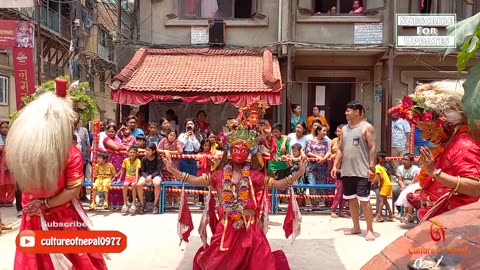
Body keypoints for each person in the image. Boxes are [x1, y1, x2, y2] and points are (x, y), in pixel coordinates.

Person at [162, 100, 307, 269]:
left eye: (243, 150)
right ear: (229, 152)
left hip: (251, 227)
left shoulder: (253, 176)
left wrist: (298, 172)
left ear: (249, 154)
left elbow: (280, 184)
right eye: (236, 149)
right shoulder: (219, 174)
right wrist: (173, 170)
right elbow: (194, 180)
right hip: (227, 227)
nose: (239, 153)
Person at [6, 88, 107, 268]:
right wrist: (45, 204)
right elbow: (73, 190)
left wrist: (37, 202)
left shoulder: (25, 148)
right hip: (60, 216)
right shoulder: (70, 153)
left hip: (32, 215)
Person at [388, 80, 480, 221]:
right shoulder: (450, 143)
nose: (424, 136)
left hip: (456, 225)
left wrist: (435, 173)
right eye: (421, 129)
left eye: (428, 128)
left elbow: (475, 187)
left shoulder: (463, 145)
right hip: (443, 222)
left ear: (447, 121)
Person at [331, 101, 376, 241]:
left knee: (364, 201)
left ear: (357, 112)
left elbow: (373, 147)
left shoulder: (367, 127)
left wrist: (372, 167)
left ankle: (370, 230)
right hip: (347, 171)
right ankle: (356, 227)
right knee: (351, 200)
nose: (346, 113)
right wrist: (335, 166)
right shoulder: (344, 129)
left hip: (362, 171)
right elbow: (340, 148)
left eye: (348, 110)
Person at [305, 125, 331, 208]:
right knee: (312, 184)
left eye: (326, 131)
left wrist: (323, 159)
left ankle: (320, 203)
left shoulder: (326, 142)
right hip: (312, 166)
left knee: (321, 184)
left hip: (322, 166)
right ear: (318, 131)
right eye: (324, 131)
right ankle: (314, 204)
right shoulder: (310, 141)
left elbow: (328, 152)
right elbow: (308, 152)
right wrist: (317, 157)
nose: (325, 133)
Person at [137, 143, 164, 214]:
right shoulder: (143, 159)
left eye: (148, 150)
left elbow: (158, 170)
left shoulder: (158, 159)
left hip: (155, 175)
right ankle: (142, 204)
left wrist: (151, 176)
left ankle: (155, 205)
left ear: (153, 151)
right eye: (146, 150)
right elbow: (142, 171)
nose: (146, 152)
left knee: (157, 183)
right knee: (139, 184)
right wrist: (146, 177)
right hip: (146, 175)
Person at [118, 146, 141, 215]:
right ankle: (125, 204)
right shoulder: (125, 160)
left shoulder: (138, 161)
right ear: (128, 153)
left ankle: (133, 203)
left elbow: (137, 171)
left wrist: (136, 180)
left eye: (134, 152)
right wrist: (119, 178)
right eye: (131, 152)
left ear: (136, 154)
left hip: (135, 177)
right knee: (125, 185)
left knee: (133, 185)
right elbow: (123, 170)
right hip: (128, 177)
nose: (132, 154)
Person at [330, 124, 346, 218]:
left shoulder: (348, 141)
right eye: (337, 131)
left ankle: (341, 210)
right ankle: (333, 209)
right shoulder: (334, 141)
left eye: (340, 131)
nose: (338, 133)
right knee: (338, 191)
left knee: (345, 192)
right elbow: (329, 152)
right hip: (336, 169)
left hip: (346, 168)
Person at [373, 155, 395, 222]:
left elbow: (381, 178)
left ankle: (378, 216)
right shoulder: (380, 167)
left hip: (384, 184)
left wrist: (380, 186)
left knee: (381, 200)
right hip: (387, 184)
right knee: (384, 201)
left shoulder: (377, 167)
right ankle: (391, 215)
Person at [0, 120, 14, 207]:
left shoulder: (13, 138)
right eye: (2, 127)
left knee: (11, 183)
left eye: (6, 127)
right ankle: (1, 200)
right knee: (1, 183)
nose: (4, 129)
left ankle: (9, 200)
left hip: (11, 162)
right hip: (1, 163)